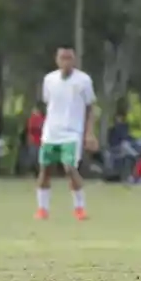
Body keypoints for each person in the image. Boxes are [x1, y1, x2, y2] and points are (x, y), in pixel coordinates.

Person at [35, 46, 98, 220]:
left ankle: (79, 208)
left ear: (74, 60)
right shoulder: (49, 80)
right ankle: (42, 208)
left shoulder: (83, 80)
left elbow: (90, 107)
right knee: (45, 170)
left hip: (72, 133)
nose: (66, 62)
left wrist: (89, 133)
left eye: (69, 58)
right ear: (57, 59)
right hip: (51, 132)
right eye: (62, 58)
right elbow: (49, 104)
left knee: (70, 168)